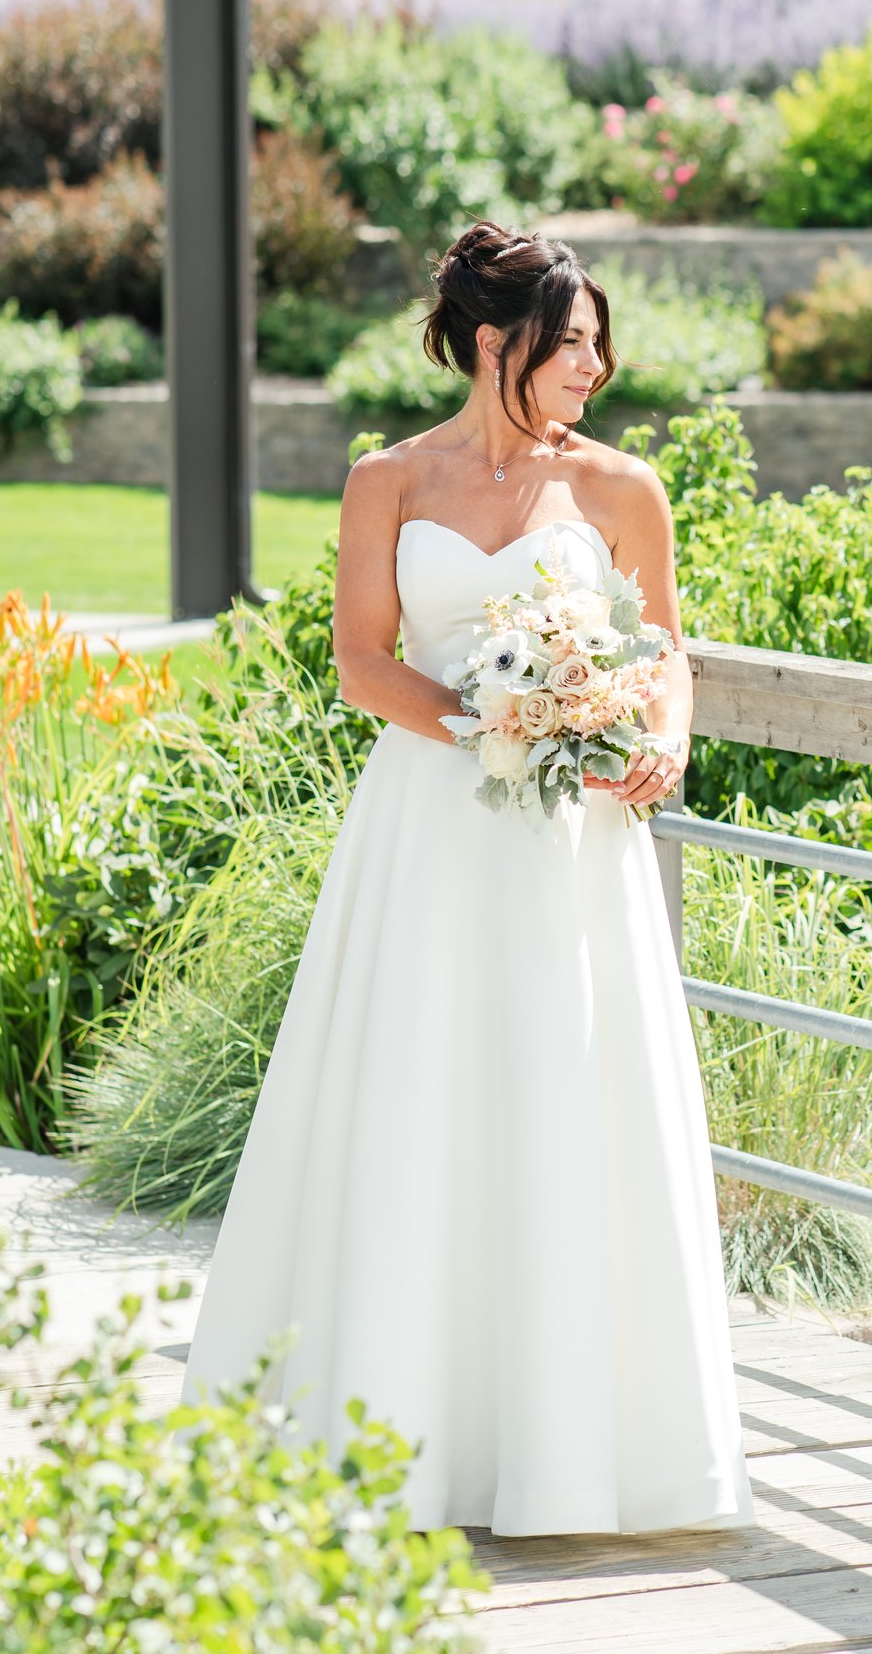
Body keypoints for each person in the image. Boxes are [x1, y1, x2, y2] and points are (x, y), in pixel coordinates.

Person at [182, 220, 755, 1538]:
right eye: (573, 347)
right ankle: (402, 1437)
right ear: (498, 343)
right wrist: (496, 721)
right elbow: (364, 665)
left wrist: (657, 734)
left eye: (603, 348)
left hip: (571, 853)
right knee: (419, 1102)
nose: (595, 370)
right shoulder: (388, 480)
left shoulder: (624, 489)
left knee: (564, 1102)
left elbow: (664, 648)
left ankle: (576, 1453)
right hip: (429, 831)